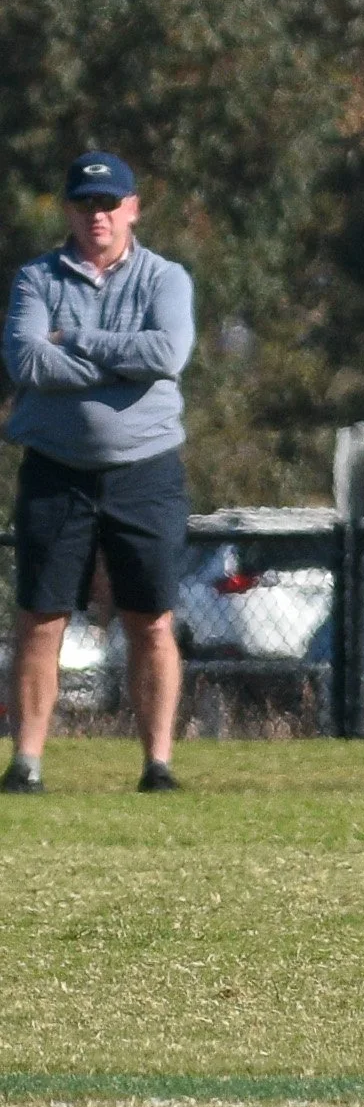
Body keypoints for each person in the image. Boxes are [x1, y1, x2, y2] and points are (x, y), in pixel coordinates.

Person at [2, 152, 195, 794]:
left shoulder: (166, 279)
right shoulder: (36, 278)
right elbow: (27, 362)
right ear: (69, 211)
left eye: (110, 204)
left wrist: (74, 339)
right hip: (56, 473)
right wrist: (120, 361)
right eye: (86, 205)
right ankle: (26, 764)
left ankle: (157, 765)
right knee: (40, 618)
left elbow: (167, 352)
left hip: (146, 471)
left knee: (153, 620)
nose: (98, 217)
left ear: (133, 208)